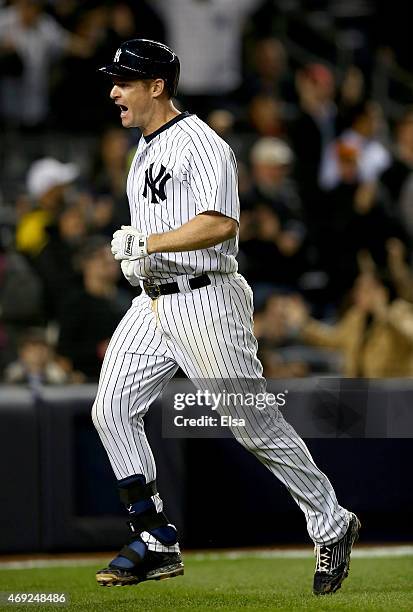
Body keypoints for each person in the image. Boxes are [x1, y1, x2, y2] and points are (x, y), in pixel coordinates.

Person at [93, 38, 360, 595]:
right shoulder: (143, 148)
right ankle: (156, 537)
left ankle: (331, 522)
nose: (114, 91)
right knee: (111, 407)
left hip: (207, 300)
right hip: (156, 301)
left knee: (252, 425)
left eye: (124, 81)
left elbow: (221, 224)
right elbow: (160, 240)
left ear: (157, 86)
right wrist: (141, 263)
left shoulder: (202, 143)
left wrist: (148, 242)